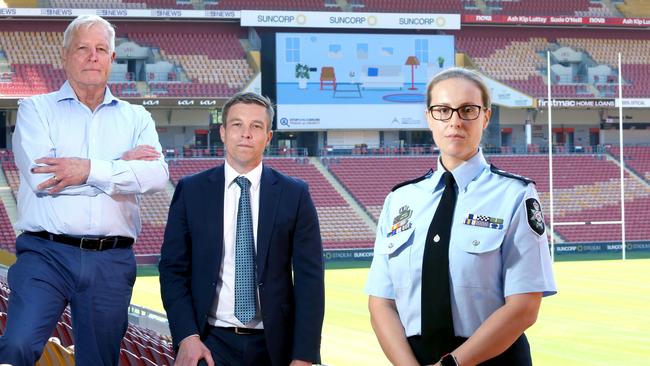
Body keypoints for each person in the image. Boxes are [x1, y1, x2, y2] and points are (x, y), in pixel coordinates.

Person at [0, 15, 169, 366]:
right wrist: (119, 167)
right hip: (46, 254)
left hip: (111, 259)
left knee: (100, 361)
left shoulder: (137, 118)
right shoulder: (36, 109)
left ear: (111, 59)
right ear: (65, 56)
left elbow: (155, 176)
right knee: (16, 346)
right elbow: (44, 180)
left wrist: (86, 169)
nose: (92, 56)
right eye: (83, 48)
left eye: (101, 49)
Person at [366, 67, 556, 366]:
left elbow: (524, 306)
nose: (455, 121)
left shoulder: (515, 195)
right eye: (443, 110)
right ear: (429, 117)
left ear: (486, 117)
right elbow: (381, 301)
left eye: (468, 110)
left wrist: (451, 365)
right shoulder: (399, 200)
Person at [159, 92, 325, 366]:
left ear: (268, 137)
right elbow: (172, 270)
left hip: (275, 348)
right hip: (210, 343)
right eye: (237, 125)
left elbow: (310, 281)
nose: (245, 134)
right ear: (223, 132)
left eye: (256, 126)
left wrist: (304, 356)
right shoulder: (192, 190)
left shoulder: (295, 194)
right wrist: (187, 336)